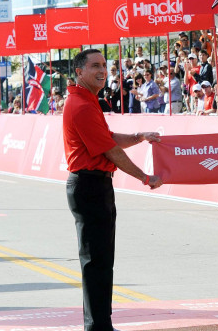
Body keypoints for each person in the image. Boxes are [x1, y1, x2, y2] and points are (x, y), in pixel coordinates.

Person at [63, 49, 163, 331]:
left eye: (104, 65)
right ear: (79, 72)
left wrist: (139, 137)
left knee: (101, 260)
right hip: (89, 184)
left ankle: (99, 324)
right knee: (96, 261)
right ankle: (97, 326)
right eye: (95, 66)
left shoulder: (86, 100)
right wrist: (145, 177)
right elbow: (110, 151)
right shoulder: (81, 105)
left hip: (95, 184)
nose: (102, 70)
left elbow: (108, 138)